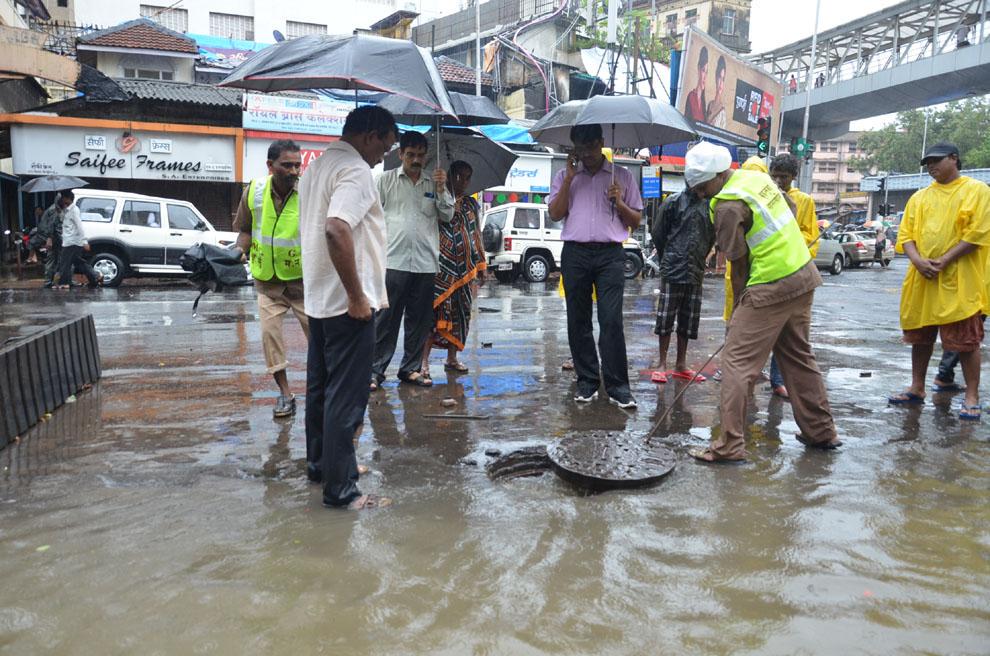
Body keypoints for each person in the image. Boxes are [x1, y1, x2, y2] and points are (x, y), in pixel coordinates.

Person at [686, 141, 840, 462]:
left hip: (770, 283)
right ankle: (821, 432)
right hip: (802, 273)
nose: (701, 195)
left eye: (702, 188)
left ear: (715, 177)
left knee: (736, 363)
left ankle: (729, 445)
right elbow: (791, 210)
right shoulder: (755, 179)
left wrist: (741, 307)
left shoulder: (726, 205)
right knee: (798, 357)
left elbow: (738, 263)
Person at [299, 105, 398, 510]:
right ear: (370, 135)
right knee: (347, 395)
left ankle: (323, 466)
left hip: (321, 298)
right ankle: (341, 490)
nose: (382, 158)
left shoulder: (319, 166)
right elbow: (336, 227)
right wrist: (358, 296)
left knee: (321, 389)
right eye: (385, 148)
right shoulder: (355, 170)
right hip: (347, 304)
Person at [888, 142, 989, 420]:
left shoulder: (977, 191)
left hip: (960, 280)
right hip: (922, 279)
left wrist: (944, 260)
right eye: (927, 163)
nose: (931, 167)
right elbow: (905, 235)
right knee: (920, 337)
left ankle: (971, 396)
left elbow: (977, 233)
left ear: (954, 159)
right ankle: (917, 387)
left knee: (965, 342)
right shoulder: (919, 197)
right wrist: (918, 261)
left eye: (936, 160)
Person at [547, 124, 644, 409]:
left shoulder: (621, 176)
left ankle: (618, 386)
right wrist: (568, 180)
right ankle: (587, 380)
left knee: (611, 319)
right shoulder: (564, 177)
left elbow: (635, 221)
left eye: (591, 146)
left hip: (610, 255)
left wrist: (619, 202)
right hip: (575, 253)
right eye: (580, 148)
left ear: (602, 143)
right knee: (578, 320)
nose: (587, 153)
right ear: (574, 148)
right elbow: (555, 214)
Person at [370, 130, 454, 390]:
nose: (416, 159)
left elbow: (448, 215)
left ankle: (411, 369)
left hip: (425, 263)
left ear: (426, 156)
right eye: (410, 155)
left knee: (419, 321)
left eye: (420, 155)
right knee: (386, 321)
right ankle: (374, 372)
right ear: (400, 154)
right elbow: (370, 216)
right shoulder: (384, 181)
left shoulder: (434, 183)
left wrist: (442, 190)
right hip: (392, 261)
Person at [233, 139, 310, 418]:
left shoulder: (310, 193)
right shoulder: (253, 192)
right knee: (270, 337)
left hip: (304, 283)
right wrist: (238, 251)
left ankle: (323, 390)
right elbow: (245, 230)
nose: (293, 171)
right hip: (268, 282)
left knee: (323, 342)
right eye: (286, 165)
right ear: (270, 166)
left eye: (297, 165)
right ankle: (285, 394)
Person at [420, 160, 487, 379]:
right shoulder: (437, 197)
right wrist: (447, 205)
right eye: (459, 176)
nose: (463, 181)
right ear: (450, 176)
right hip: (441, 269)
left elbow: (476, 232)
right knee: (433, 317)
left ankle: (452, 358)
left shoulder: (470, 204)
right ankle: (423, 363)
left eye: (467, 177)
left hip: (466, 270)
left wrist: (482, 263)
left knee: (460, 315)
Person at [769, 153, 821, 398]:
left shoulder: (805, 201)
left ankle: (779, 379)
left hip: (793, 269)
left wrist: (791, 240)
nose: (779, 181)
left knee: (789, 330)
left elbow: (811, 235)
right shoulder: (766, 196)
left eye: (784, 177)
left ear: (794, 177)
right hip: (769, 269)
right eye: (775, 176)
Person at [650, 186, 714, 384]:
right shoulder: (673, 202)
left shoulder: (709, 206)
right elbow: (658, 234)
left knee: (688, 319)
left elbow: (711, 236)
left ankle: (681, 364)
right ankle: (661, 364)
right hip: (672, 268)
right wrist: (667, 257)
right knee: (665, 319)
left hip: (695, 270)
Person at [55, 190, 101, 289]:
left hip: (71, 242)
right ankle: (96, 276)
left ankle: (64, 283)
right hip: (71, 241)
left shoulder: (74, 210)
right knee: (79, 262)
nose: (62, 200)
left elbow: (79, 226)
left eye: (63, 197)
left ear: (67, 198)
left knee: (65, 263)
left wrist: (84, 241)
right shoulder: (67, 210)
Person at [37, 197, 66, 288]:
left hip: (52, 237)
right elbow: (52, 225)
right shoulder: (54, 210)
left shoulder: (54, 208)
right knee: (53, 259)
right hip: (52, 238)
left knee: (54, 259)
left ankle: (51, 281)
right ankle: (49, 281)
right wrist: (50, 239)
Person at [684, 46, 708, 123]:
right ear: (698, 69)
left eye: (707, 72)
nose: (705, 77)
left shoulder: (704, 101)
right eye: (703, 70)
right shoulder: (691, 96)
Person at [705, 56, 727, 128]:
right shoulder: (710, 104)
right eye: (719, 78)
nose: (721, 83)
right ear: (715, 78)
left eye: (723, 79)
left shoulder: (722, 111)